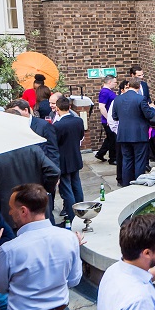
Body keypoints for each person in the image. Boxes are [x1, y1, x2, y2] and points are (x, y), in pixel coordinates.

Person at [0, 112, 60, 221]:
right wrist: (43, 190)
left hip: (8, 213)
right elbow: (54, 171)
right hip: (35, 210)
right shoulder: (34, 150)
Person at [114, 76, 155, 187]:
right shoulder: (141, 99)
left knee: (126, 160)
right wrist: (152, 108)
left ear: (128, 85)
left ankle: (126, 185)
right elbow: (149, 115)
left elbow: (115, 117)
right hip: (139, 135)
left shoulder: (117, 99)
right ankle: (139, 185)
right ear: (138, 86)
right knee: (140, 161)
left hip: (123, 135)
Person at [53, 96, 86, 224]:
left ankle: (72, 217)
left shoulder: (57, 125)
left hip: (63, 161)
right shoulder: (78, 121)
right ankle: (81, 212)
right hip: (75, 157)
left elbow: (55, 144)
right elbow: (81, 136)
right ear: (70, 107)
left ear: (57, 108)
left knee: (66, 190)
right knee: (77, 185)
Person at [95, 75, 120, 165]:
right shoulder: (105, 92)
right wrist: (108, 119)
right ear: (109, 82)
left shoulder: (108, 91)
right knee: (113, 139)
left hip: (110, 120)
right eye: (115, 82)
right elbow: (101, 107)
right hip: (108, 121)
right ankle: (112, 158)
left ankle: (100, 153)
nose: (115, 84)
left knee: (109, 138)